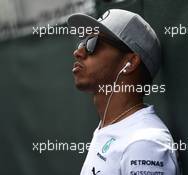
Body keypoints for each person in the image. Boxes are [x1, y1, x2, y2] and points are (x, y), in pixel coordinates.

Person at [68, 9, 180, 175]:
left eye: (93, 43)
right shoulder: (111, 128)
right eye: (81, 42)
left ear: (131, 62)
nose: (78, 52)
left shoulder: (145, 143)